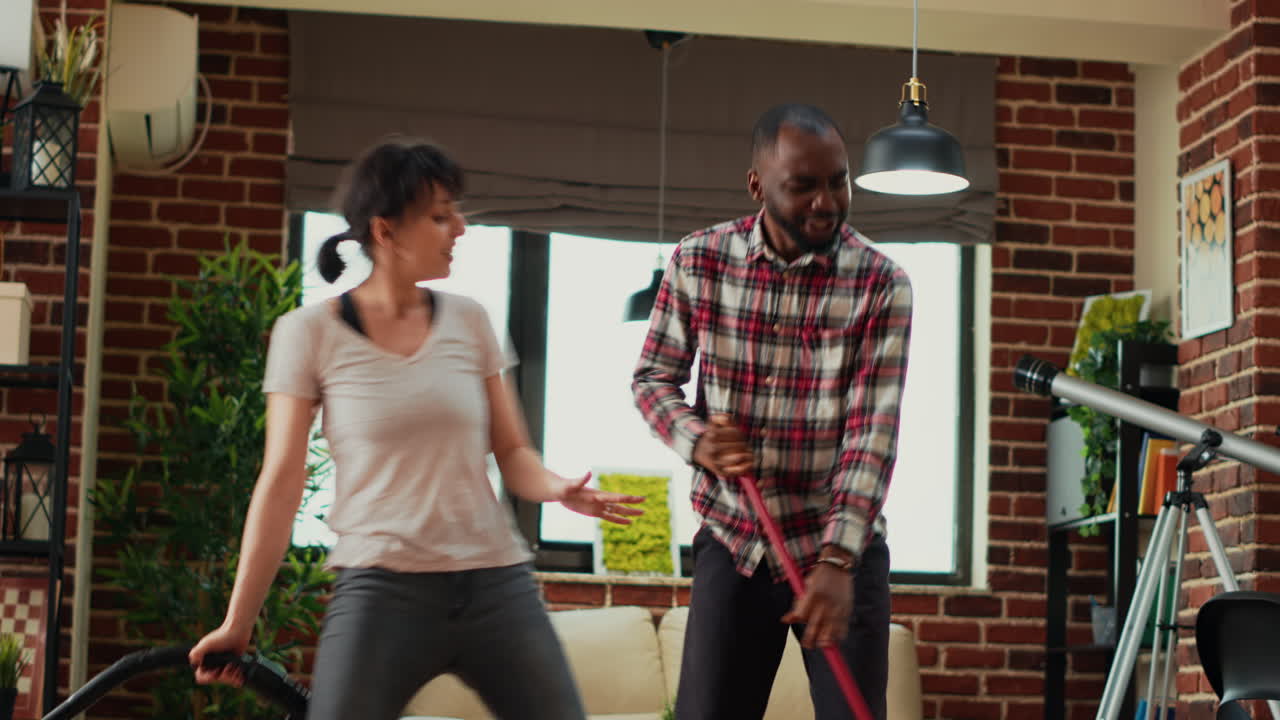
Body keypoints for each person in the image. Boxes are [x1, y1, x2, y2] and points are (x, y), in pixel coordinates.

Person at [189, 137, 645, 720]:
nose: (459, 227)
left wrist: (557, 488)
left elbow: (512, 453)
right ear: (386, 233)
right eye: (439, 215)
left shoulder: (470, 320)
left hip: (494, 586)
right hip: (382, 589)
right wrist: (238, 623)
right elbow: (281, 480)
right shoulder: (308, 333)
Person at [632, 103, 913, 720]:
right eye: (803, 186)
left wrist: (839, 562)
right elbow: (653, 379)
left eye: (837, 181)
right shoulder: (698, 260)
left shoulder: (880, 283)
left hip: (838, 548)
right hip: (735, 542)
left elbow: (871, 434)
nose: (826, 202)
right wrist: (698, 440)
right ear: (758, 185)